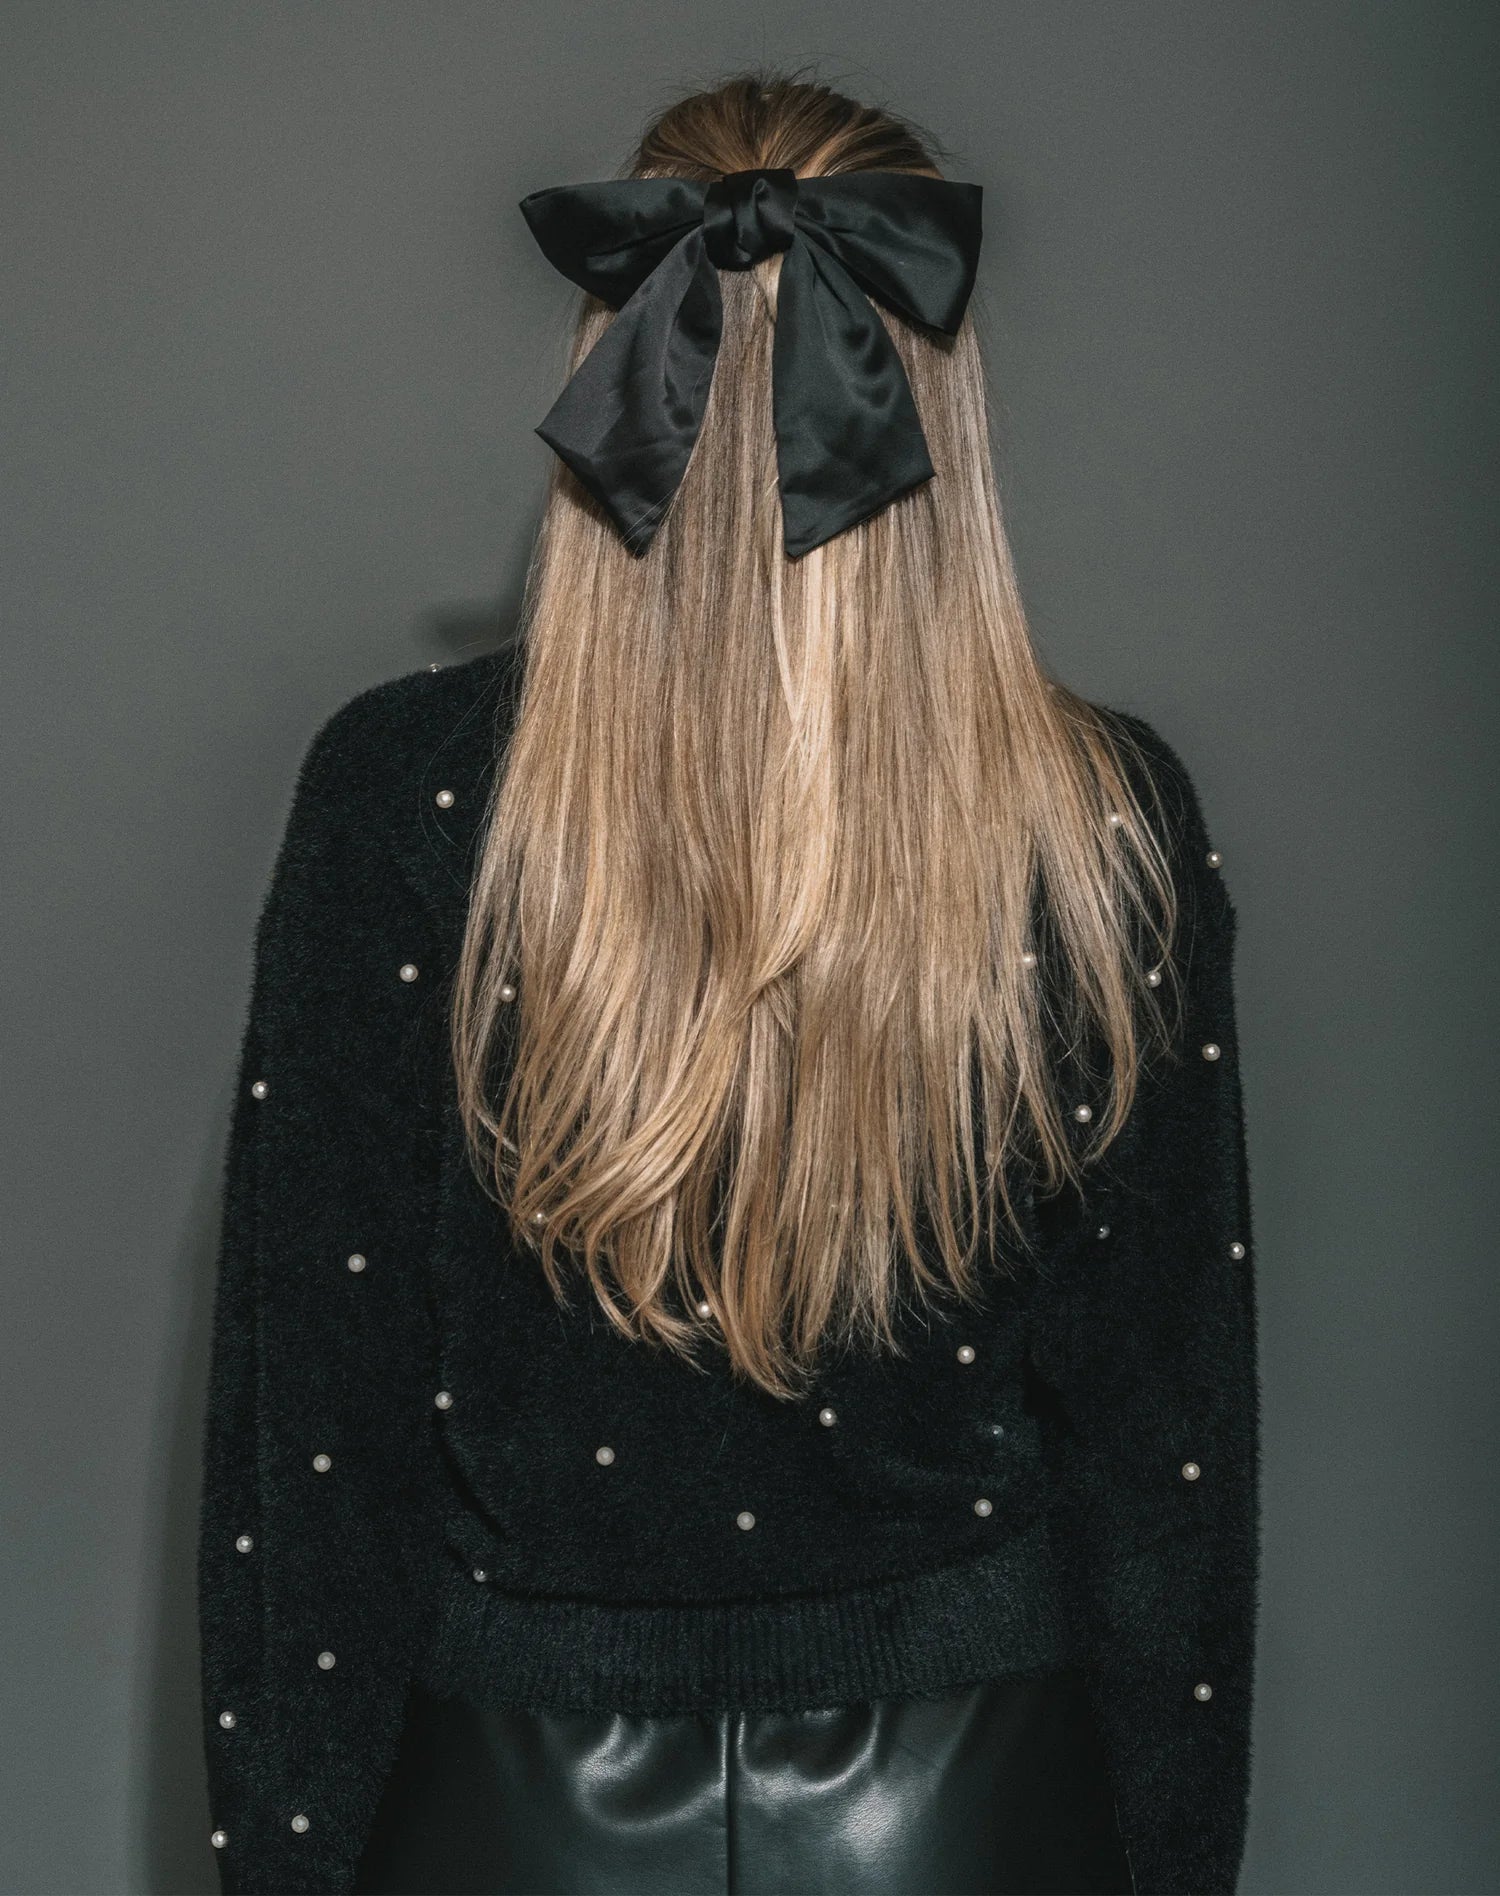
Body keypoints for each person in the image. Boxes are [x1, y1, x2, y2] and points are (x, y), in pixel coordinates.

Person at [197, 69, 1260, 1896]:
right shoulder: (1104, 827)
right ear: (944, 401)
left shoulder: (401, 797)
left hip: (506, 1819)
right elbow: (1169, 1482)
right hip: (976, 1818)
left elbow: (314, 1467)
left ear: (615, 364)